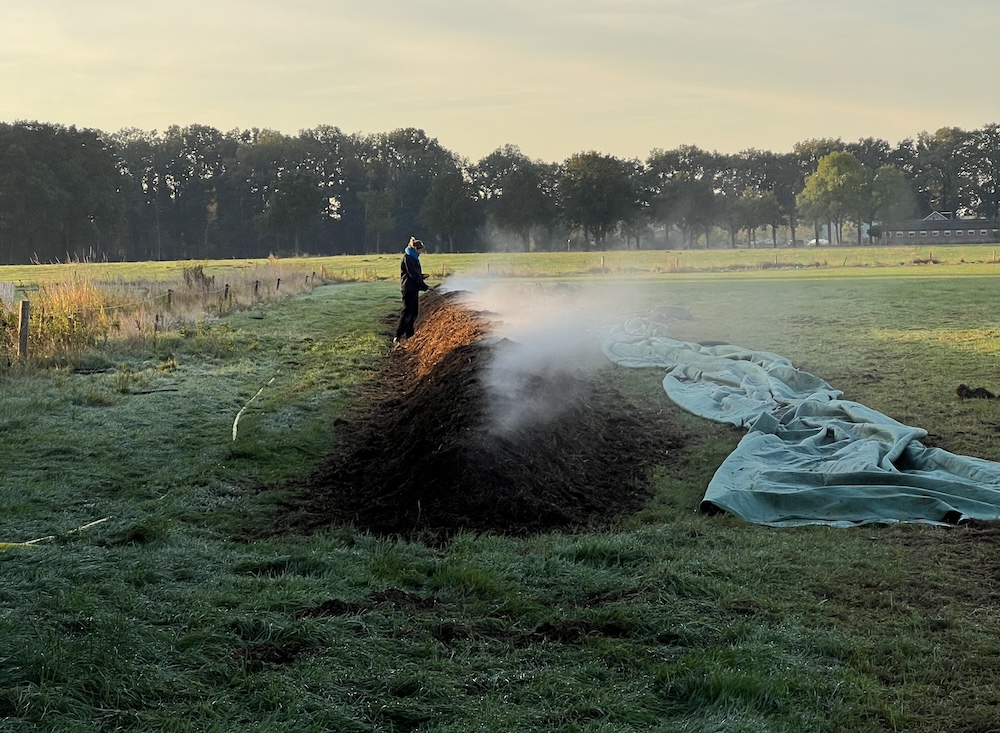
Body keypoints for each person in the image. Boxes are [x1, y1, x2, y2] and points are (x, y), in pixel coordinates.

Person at [393, 236, 430, 344]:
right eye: (420, 250)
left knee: (413, 313)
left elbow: (415, 274)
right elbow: (412, 274)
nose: (421, 253)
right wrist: (424, 286)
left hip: (413, 288)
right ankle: (398, 336)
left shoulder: (413, 257)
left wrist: (422, 276)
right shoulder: (408, 258)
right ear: (416, 249)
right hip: (408, 288)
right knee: (407, 313)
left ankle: (410, 335)